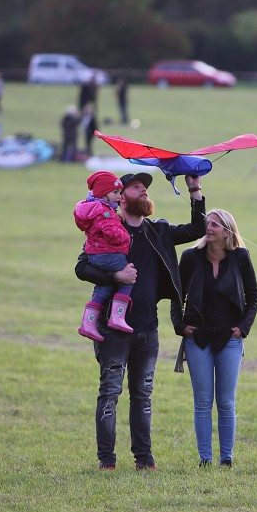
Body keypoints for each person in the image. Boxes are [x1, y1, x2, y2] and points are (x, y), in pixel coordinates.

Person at [75, 171, 206, 471]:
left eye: (145, 188)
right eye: (137, 187)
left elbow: (197, 228)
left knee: (143, 396)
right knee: (110, 393)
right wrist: (114, 276)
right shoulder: (107, 227)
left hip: (148, 327)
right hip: (112, 330)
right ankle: (106, 461)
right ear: (121, 196)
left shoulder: (158, 230)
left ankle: (144, 460)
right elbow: (81, 267)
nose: (145, 192)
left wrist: (195, 188)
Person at [171, 209, 257, 467]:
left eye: (215, 224)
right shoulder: (190, 257)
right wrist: (180, 326)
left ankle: (226, 459)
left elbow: (253, 296)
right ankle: (205, 459)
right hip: (198, 339)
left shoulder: (241, 257)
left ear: (227, 232)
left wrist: (242, 328)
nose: (208, 227)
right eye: (208, 223)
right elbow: (176, 296)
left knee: (226, 402)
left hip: (230, 339)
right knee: (202, 401)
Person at [75, 172, 134, 342]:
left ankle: (88, 323)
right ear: (103, 193)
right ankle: (117, 316)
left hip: (96, 255)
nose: (119, 196)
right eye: (116, 193)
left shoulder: (95, 209)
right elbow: (111, 233)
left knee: (104, 288)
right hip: (109, 254)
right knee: (128, 278)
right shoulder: (104, 212)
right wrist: (126, 237)